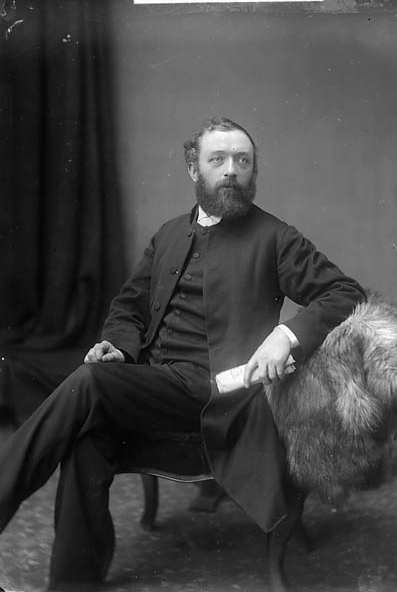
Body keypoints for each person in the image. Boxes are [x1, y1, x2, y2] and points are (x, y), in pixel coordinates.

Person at [0, 117, 366, 590]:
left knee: (88, 384)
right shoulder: (169, 234)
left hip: (224, 397)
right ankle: (72, 583)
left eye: (242, 160)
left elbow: (345, 293)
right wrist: (118, 347)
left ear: (253, 171)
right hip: (157, 388)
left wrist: (286, 336)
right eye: (218, 159)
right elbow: (128, 308)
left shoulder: (276, 237)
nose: (231, 169)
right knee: (87, 435)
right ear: (194, 170)